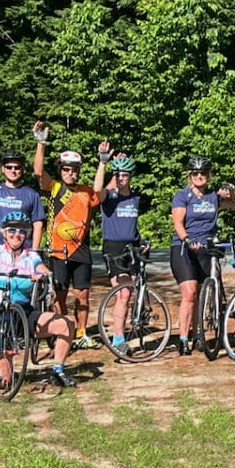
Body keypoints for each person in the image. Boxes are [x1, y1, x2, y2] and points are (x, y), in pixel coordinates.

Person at [0, 201, 77, 388]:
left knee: (66, 324)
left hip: (23, 312)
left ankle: (58, 371)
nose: (17, 235)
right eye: (12, 230)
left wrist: (43, 275)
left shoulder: (30, 256)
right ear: (4, 233)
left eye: (22, 231)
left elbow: (43, 269)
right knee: (6, 382)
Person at [33, 121, 101, 349]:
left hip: (81, 251)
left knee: (82, 296)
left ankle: (81, 333)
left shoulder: (86, 191)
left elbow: (100, 191)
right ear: (60, 170)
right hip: (57, 251)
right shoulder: (54, 188)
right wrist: (41, 143)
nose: (70, 173)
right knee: (59, 296)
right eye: (66, 169)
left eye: (74, 170)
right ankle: (62, 333)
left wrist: (102, 163)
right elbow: (38, 172)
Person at [171, 155, 235, 355]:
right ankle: (183, 338)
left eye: (203, 173)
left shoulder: (213, 196)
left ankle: (198, 333)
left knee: (201, 293)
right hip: (185, 248)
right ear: (190, 175)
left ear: (208, 175)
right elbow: (178, 224)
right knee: (190, 292)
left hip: (207, 247)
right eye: (195, 173)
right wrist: (187, 239)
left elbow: (234, 204)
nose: (200, 176)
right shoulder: (183, 195)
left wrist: (231, 191)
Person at [92, 144, 149, 352]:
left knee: (128, 293)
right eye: (119, 175)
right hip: (114, 246)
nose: (122, 178)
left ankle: (122, 331)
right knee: (122, 293)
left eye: (125, 174)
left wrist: (141, 241)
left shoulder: (134, 198)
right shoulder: (110, 198)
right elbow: (97, 190)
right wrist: (104, 162)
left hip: (132, 245)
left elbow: (131, 225)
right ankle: (118, 338)